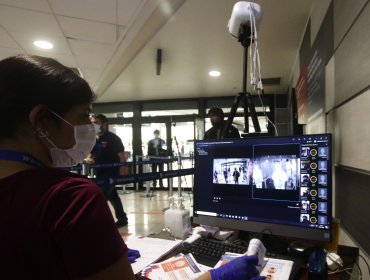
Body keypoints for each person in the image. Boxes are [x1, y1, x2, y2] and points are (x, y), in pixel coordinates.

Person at [0, 55, 265, 280]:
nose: (89, 129)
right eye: (82, 116)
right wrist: (216, 276)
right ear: (42, 120)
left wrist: (97, 251)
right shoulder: (67, 198)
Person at [85, 113, 128, 228]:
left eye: (96, 123)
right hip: (99, 173)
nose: (93, 125)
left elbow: (122, 156)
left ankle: (100, 222)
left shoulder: (112, 138)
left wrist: (124, 171)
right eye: (92, 123)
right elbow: (90, 154)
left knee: (101, 196)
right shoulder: (93, 139)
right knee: (113, 196)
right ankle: (122, 218)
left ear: (104, 124)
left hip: (111, 172)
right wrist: (88, 159)